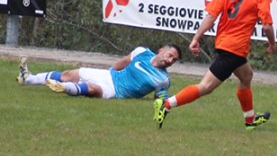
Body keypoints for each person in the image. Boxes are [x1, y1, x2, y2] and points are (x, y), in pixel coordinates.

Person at [154, 0, 276, 130]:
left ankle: (250, 120)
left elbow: (212, 16)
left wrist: (197, 37)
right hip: (234, 49)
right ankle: (166, 104)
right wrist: (272, 43)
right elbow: (267, 26)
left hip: (225, 44)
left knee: (246, 76)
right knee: (206, 87)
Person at [17, 44, 182, 100]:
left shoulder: (163, 79)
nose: (170, 61)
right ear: (161, 51)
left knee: (92, 89)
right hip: (109, 76)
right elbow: (123, 62)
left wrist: (163, 104)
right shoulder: (142, 52)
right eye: (170, 56)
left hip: (116, 91)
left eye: (174, 60)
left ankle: (63, 87)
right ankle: (28, 79)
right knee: (70, 74)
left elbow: (159, 99)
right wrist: (109, 72)